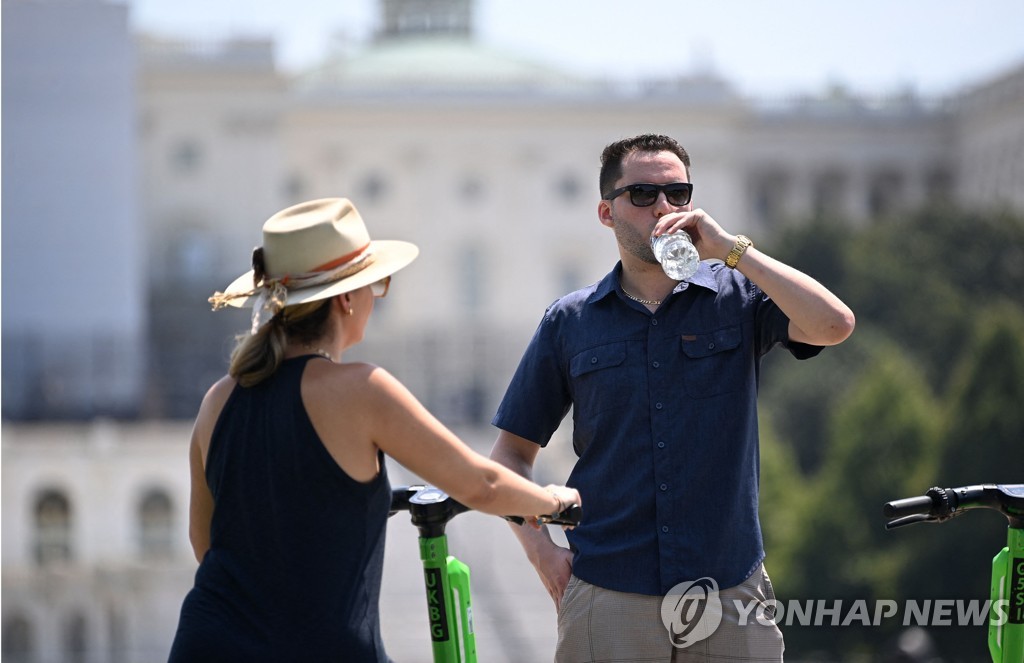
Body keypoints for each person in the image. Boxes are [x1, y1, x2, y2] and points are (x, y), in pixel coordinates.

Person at [489, 134, 855, 661]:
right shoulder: (570, 321)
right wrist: (540, 551)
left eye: (678, 193)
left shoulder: (738, 297)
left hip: (730, 593)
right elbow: (509, 458)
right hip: (609, 595)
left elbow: (835, 325)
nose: (663, 207)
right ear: (605, 212)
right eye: (641, 194)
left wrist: (732, 249)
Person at [168, 198, 581, 662]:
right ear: (346, 297)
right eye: (377, 284)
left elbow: (205, 542)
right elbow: (481, 484)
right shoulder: (360, 390)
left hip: (204, 643)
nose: (376, 298)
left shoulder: (219, 398)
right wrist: (556, 502)